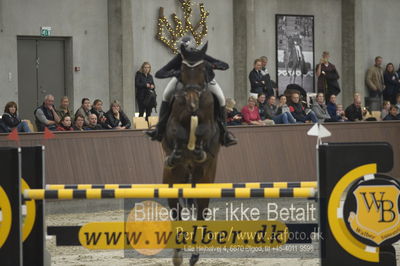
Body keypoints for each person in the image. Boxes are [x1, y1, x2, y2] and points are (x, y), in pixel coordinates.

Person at [145, 36, 236, 146]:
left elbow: (224, 65)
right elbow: (159, 73)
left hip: (206, 81)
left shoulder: (201, 56)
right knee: (165, 95)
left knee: (221, 99)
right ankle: (159, 129)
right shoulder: (179, 58)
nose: (184, 56)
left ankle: (224, 133)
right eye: (182, 53)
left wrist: (213, 66)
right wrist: (174, 73)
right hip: (183, 82)